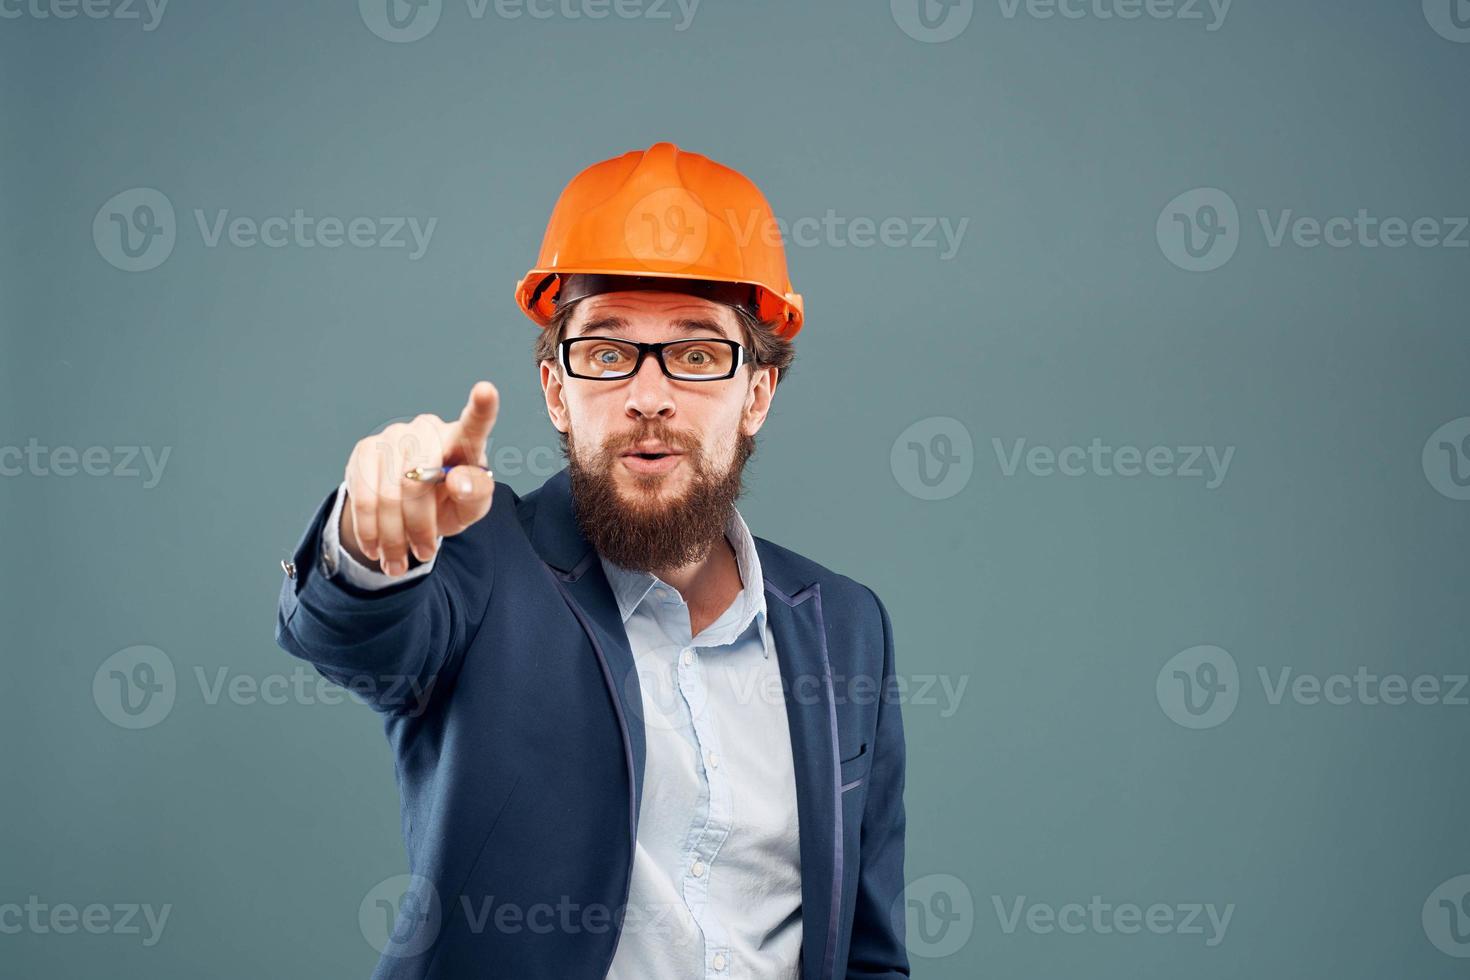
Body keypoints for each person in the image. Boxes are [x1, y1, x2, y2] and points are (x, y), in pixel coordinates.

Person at [274, 141, 909, 979]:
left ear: (756, 393)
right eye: (607, 354)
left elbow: (867, 953)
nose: (648, 397)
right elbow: (351, 636)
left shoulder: (845, 626)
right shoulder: (477, 561)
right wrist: (374, 535)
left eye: (696, 354)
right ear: (555, 390)